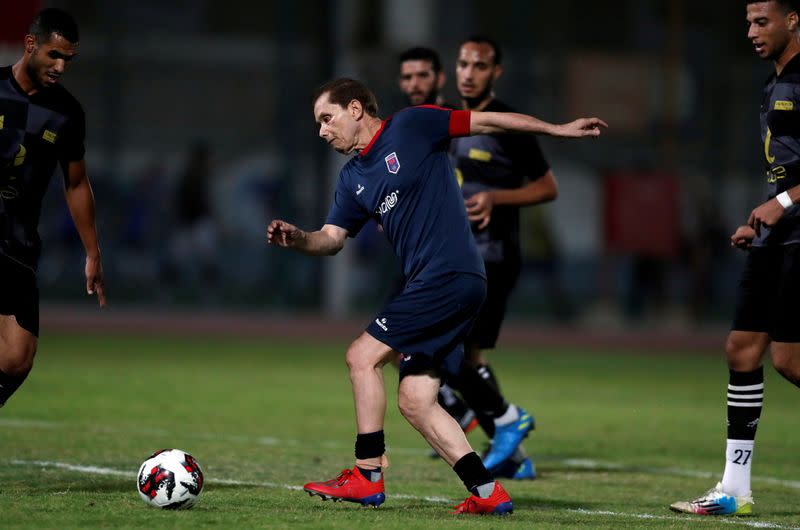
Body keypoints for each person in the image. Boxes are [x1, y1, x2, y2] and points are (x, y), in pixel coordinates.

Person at [267, 77, 605, 514]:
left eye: (326, 118)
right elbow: (331, 239)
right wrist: (297, 238)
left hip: (448, 276)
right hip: (445, 285)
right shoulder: (352, 178)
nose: (322, 131)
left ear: (355, 109)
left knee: (361, 357)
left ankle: (367, 474)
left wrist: (557, 129)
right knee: (416, 400)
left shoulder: (412, 125)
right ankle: (488, 493)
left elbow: (490, 122)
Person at [670, 0, 800, 516]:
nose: (750, 31)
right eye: (747, 22)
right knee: (742, 349)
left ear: (794, 19)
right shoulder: (776, 82)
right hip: (778, 235)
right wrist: (762, 217)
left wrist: (783, 202)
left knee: (790, 360)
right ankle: (735, 490)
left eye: (761, 21)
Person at [449, 35, 558, 479]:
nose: (469, 72)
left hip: (493, 256)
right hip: (458, 256)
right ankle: (511, 451)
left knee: (450, 354)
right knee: (466, 357)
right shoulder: (451, 120)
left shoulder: (506, 124)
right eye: (462, 63)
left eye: (480, 65)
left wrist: (497, 197)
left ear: (495, 72)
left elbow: (548, 187)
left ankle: (507, 422)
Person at [0, 8, 105, 408]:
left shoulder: (67, 113)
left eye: (68, 60)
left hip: (19, 241)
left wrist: (92, 251)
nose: (61, 66)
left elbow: (76, 183)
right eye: (54, 56)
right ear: (31, 45)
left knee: (16, 360)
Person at [397, 46, 481, 440]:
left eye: (422, 76)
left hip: (463, 254)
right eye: (407, 77)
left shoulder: (451, 124)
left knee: (402, 346)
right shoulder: (408, 126)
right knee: (445, 356)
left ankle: (498, 419)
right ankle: (479, 424)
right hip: (425, 258)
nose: (414, 84)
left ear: (439, 78)